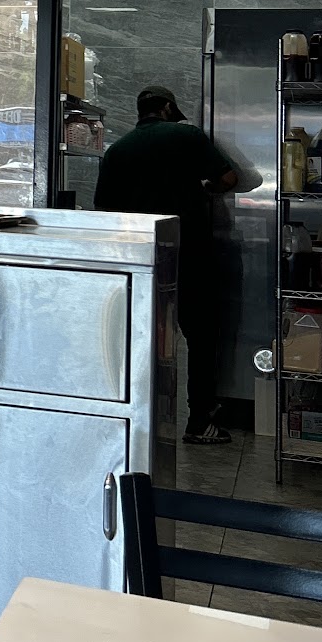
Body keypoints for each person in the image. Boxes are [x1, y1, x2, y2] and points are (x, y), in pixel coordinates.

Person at [94, 85, 239, 445]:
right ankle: (200, 420)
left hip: (140, 258)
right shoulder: (187, 136)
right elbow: (229, 178)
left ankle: (137, 421)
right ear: (169, 108)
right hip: (189, 254)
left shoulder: (117, 150)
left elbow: (104, 210)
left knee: (141, 338)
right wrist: (204, 189)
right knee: (200, 336)